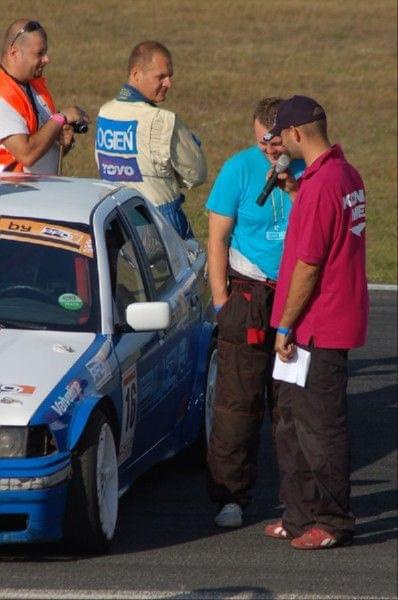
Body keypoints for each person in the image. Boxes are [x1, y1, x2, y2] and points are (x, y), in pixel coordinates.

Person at [263, 95, 369, 549]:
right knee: (289, 421)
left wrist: (284, 326)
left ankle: (332, 521)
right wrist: (293, 189)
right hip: (320, 322)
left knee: (320, 427)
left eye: (280, 135)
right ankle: (300, 512)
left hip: (314, 326)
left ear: (297, 135)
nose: (277, 142)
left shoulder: (323, 185)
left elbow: (308, 264)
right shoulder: (341, 174)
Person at [205, 97, 305, 528]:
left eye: (275, 141)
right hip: (246, 295)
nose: (269, 149)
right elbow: (217, 238)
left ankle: (299, 499)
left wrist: (294, 187)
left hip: (294, 295)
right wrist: (221, 301)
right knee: (236, 405)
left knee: (293, 405)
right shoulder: (237, 170)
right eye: (261, 141)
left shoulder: (305, 170)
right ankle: (231, 496)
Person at [95, 40, 207, 239]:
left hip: (114, 219)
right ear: (136, 74)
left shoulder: (105, 112)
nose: (168, 83)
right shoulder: (165, 121)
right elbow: (196, 175)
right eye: (161, 77)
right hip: (161, 220)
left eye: (169, 76)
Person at [0, 19, 88, 174]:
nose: (47, 59)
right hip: (15, 196)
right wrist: (61, 117)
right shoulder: (2, 96)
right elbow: (27, 154)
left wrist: (61, 143)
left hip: (40, 193)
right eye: (39, 54)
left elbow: (41, 148)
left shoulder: (32, 85)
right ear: (14, 52)